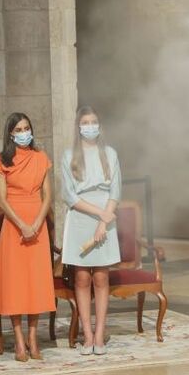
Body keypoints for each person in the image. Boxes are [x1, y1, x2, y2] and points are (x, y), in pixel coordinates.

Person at [0, 113, 55, 361]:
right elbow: (2, 199)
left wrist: (37, 223)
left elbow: (48, 195)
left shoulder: (41, 158)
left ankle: (33, 338)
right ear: (10, 133)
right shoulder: (2, 161)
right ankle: (18, 341)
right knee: (16, 284)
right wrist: (22, 225)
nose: (23, 132)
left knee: (35, 284)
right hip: (14, 228)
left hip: (37, 226)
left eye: (27, 128)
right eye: (18, 129)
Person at [60, 106, 122, 355]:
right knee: (83, 277)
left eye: (94, 121)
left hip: (105, 219)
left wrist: (104, 222)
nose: (90, 126)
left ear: (100, 126)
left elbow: (115, 190)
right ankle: (86, 335)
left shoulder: (110, 153)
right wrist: (99, 216)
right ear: (78, 127)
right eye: (85, 122)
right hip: (80, 218)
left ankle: (99, 334)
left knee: (101, 277)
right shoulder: (69, 156)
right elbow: (69, 196)